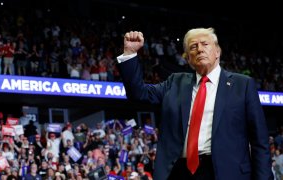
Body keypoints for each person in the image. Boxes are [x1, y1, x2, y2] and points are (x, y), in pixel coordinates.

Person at [117, 28, 273, 180]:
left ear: (217, 52)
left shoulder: (242, 85)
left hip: (226, 172)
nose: (199, 49)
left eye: (205, 44)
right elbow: (139, 94)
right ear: (188, 59)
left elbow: (260, 141)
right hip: (179, 171)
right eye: (193, 46)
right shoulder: (174, 82)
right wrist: (130, 54)